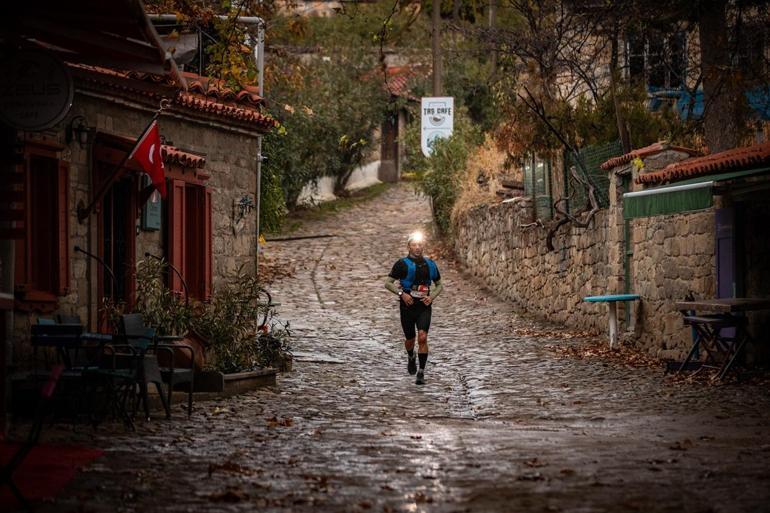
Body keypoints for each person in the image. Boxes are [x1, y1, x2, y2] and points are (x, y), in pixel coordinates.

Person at [384, 232, 443, 385]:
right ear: (409, 246)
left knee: (422, 337)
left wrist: (432, 297)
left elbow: (439, 285)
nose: (417, 248)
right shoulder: (401, 264)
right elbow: (388, 283)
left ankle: (421, 372)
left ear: (423, 246)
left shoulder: (430, 264)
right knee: (410, 339)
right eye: (414, 245)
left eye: (420, 245)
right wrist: (402, 294)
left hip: (424, 306)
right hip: (407, 307)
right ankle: (411, 356)